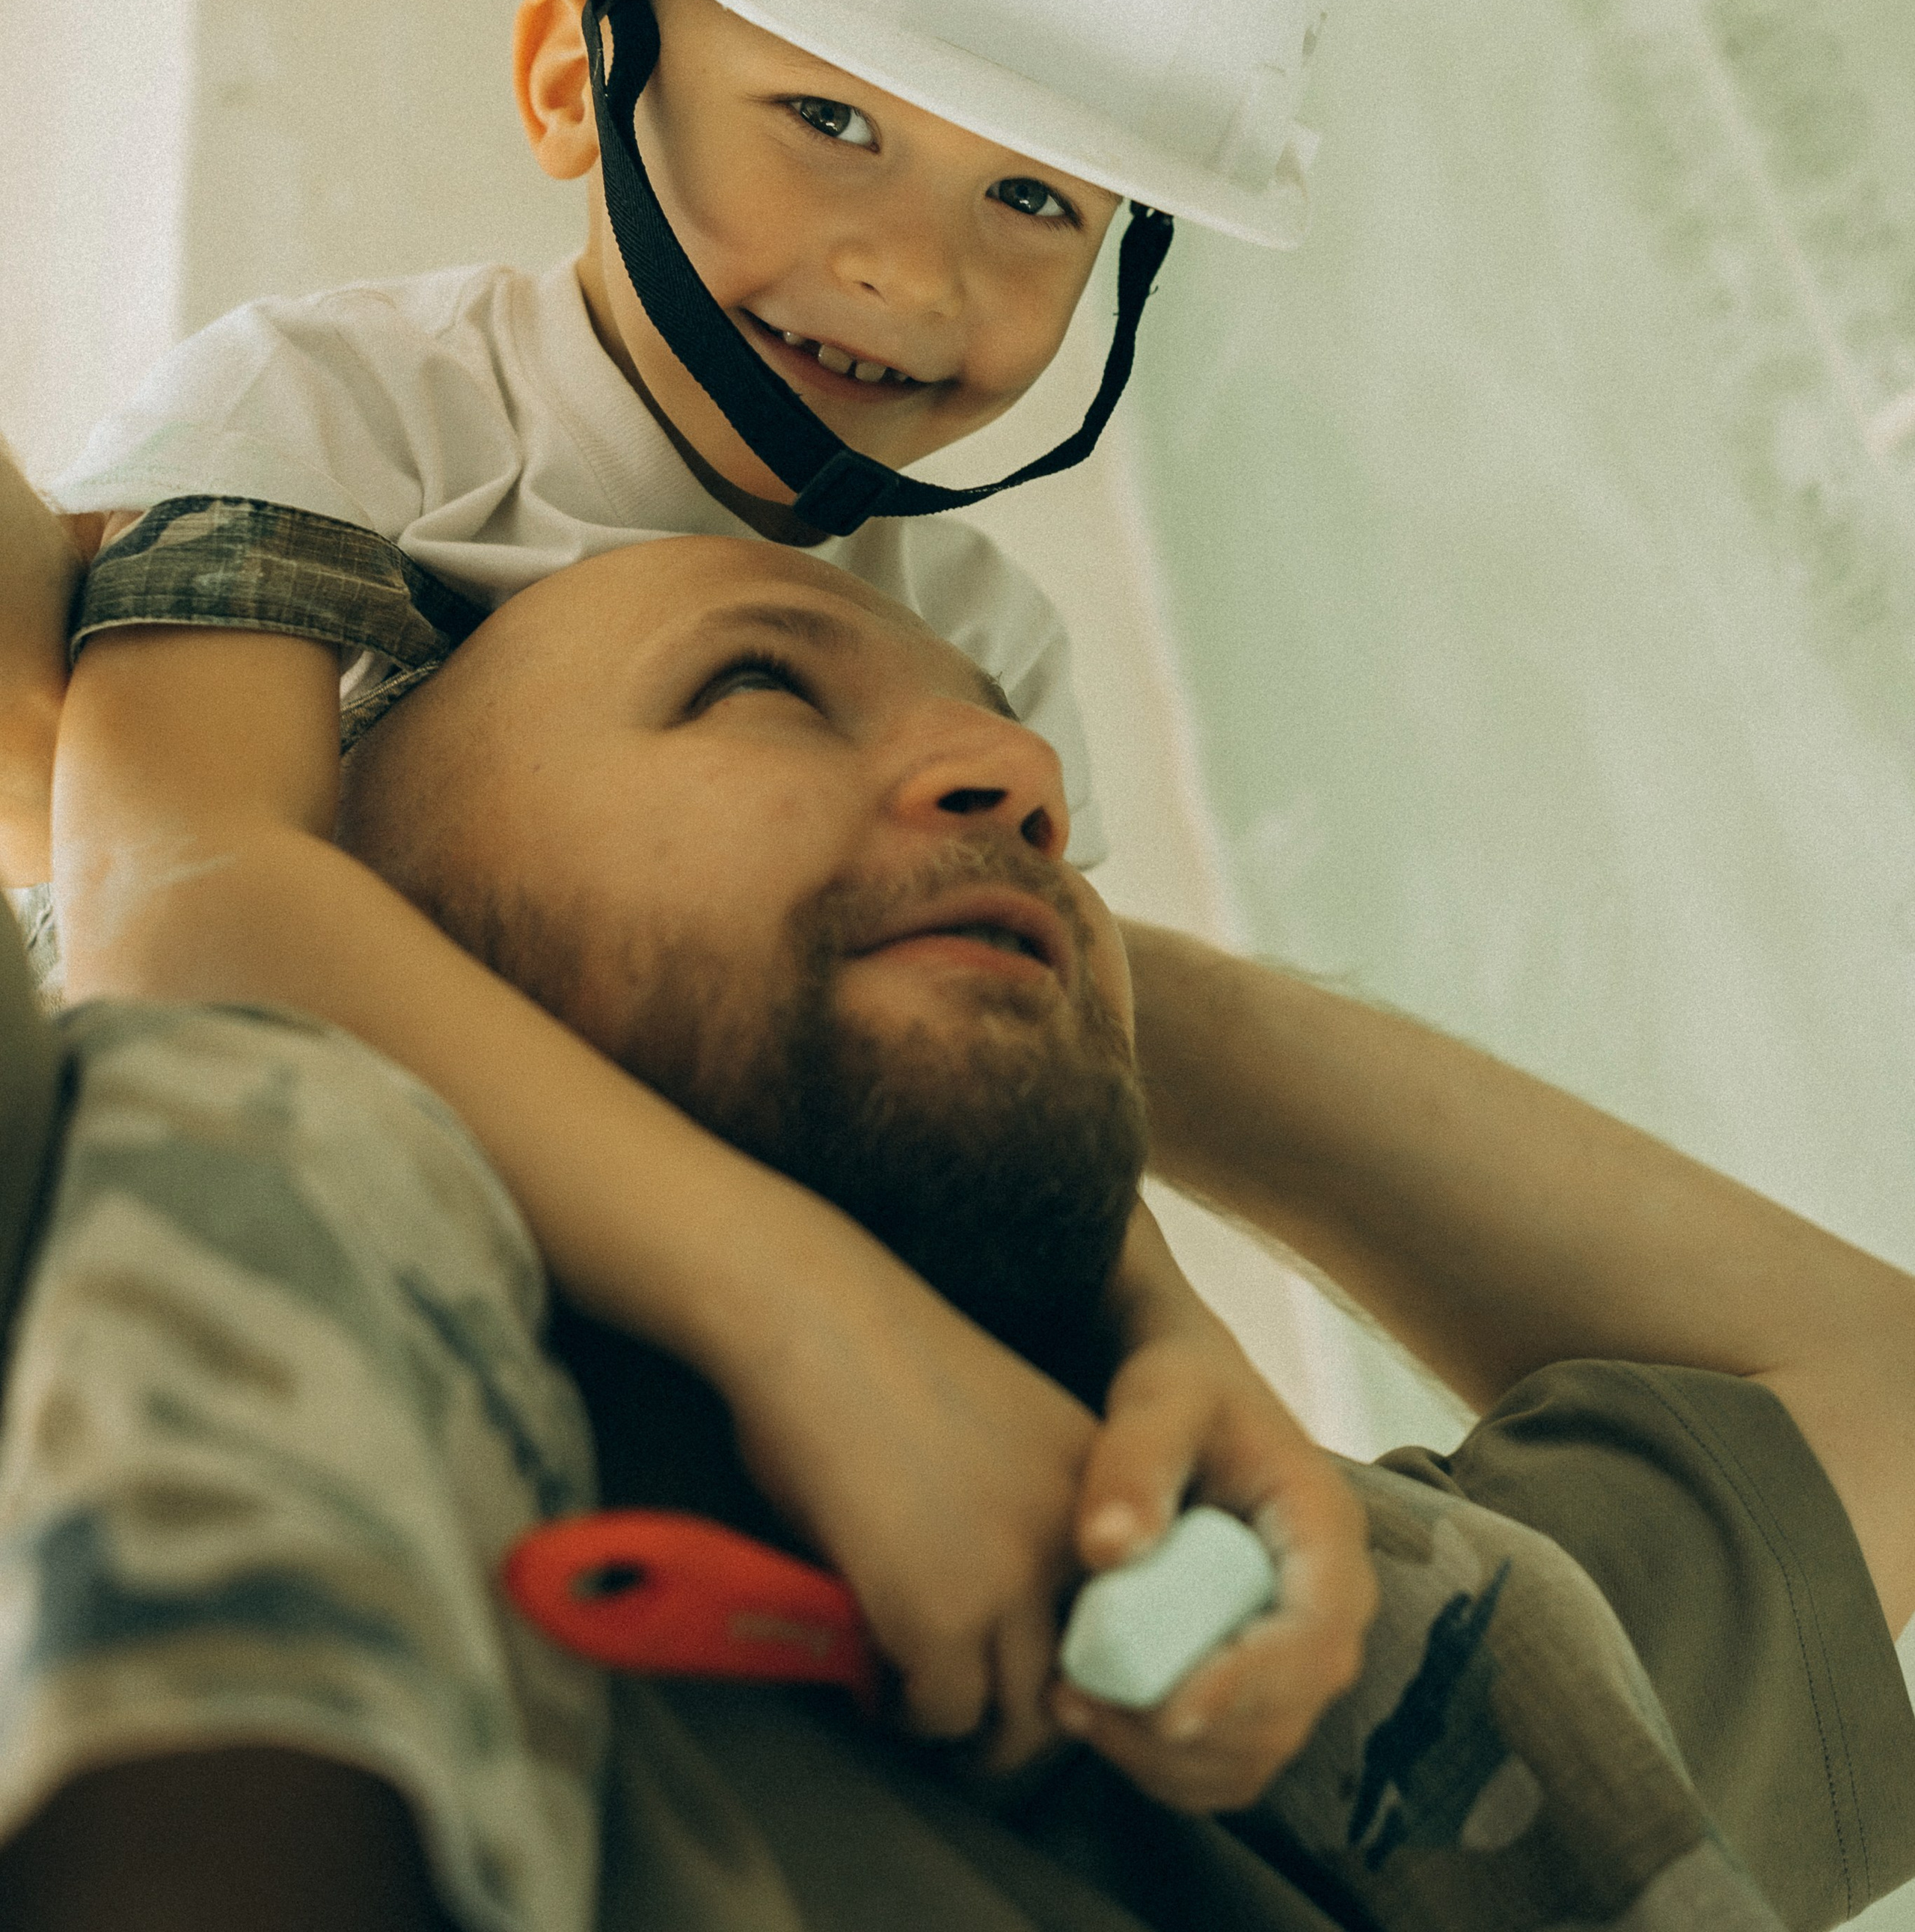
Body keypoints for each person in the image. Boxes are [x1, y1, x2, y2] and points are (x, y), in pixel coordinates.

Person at [1, 0, 1362, 1750]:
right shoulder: (339, 411)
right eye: (828, 118)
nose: (914, 273)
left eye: (1034, 197)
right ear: (576, 79)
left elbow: (1025, 1111)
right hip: (224, 1326)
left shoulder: (983, 651)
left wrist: (1177, 1364)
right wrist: (807, 1315)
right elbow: (181, 904)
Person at [2, 537, 1911, 1932]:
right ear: (365, 920)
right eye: (754, 685)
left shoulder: (1304, 1660)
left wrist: (1042, 964)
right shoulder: (69, 1286)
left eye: (1027, 775)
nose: (1031, 790)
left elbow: (1869, 1388)